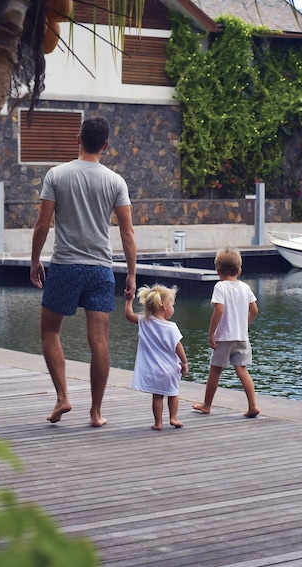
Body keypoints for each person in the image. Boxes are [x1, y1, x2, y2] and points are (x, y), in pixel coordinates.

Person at [30, 115, 137, 427]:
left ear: (78, 139)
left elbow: (42, 224)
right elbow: (127, 233)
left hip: (65, 266)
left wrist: (35, 260)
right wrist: (131, 273)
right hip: (100, 269)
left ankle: (63, 396)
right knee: (99, 342)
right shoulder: (115, 181)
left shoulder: (57, 175)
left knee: (50, 331)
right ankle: (96, 413)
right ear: (105, 145)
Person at [192, 247, 260, 418]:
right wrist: (244, 325)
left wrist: (211, 333)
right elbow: (254, 310)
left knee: (215, 370)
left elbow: (219, 309)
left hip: (224, 337)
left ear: (218, 271)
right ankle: (253, 406)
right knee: (242, 370)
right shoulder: (245, 287)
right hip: (242, 337)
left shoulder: (220, 286)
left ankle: (207, 405)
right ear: (239, 271)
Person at [124, 284, 188, 430]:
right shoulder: (171, 327)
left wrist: (129, 300)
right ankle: (173, 418)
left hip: (153, 370)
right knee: (173, 393)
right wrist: (184, 362)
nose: (173, 308)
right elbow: (178, 346)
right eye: (172, 305)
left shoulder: (144, 321)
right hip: (170, 369)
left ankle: (158, 423)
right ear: (164, 305)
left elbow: (129, 315)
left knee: (157, 397)